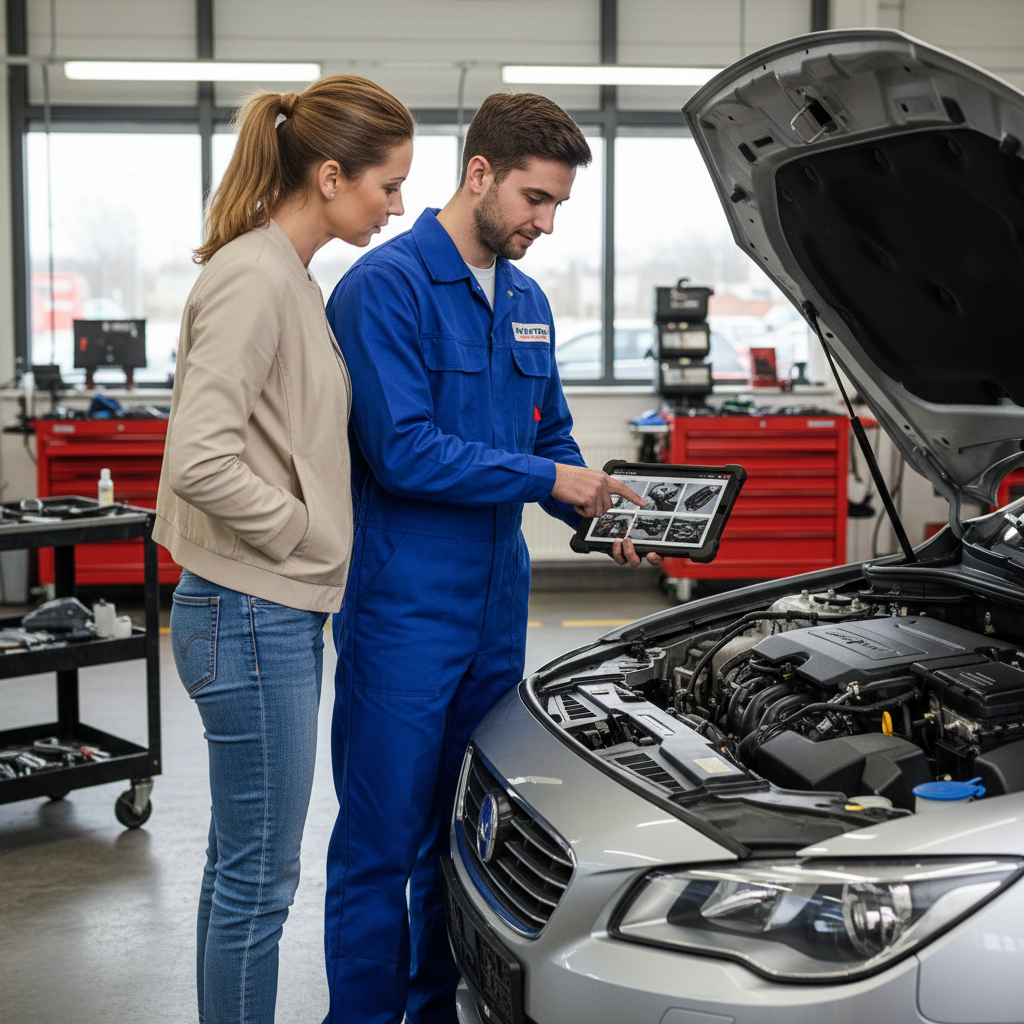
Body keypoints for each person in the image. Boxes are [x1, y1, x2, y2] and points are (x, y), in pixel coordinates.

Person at [322, 91, 661, 1024]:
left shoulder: (527, 299)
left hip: (495, 608)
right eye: (533, 200)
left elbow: (551, 436)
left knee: (463, 836)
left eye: (555, 206)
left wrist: (607, 509)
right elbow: (404, 450)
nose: (544, 224)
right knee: (381, 841)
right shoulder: (381, 288)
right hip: (404, 602)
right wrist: (552, 482)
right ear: (479, 174)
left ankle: (435, 1011)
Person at [154, 76, 414, 1024]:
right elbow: (197, 458)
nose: (396, 207)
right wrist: (308, 534)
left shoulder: (288, 275)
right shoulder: (255, 278)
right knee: (259, 882)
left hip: (269, 610)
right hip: (251, 611)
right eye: (388, 187)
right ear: (332, 174)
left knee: (243, 870)